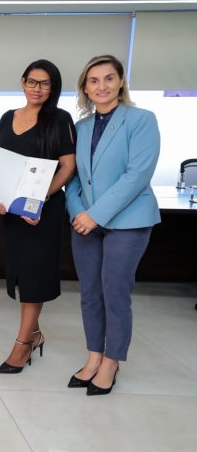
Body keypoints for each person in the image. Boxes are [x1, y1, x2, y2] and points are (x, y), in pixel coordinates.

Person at [65, 55, 160, 395]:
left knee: (114, 292)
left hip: (128, 221)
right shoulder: (81, 127)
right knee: (90, 294)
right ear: (85, 88)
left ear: (121, 82)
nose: (101, 86)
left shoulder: (141, 120)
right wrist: (78, 212)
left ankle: (111, 361)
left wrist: (95, 215)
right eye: (93, 80)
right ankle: (93, 356)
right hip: (85, 222)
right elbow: (72, 178)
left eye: (108, 78)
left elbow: (137, 176)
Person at [0, 59, 76, 374]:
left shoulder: (60, 119)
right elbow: (1, 165)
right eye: (32, 81)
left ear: (53, 88)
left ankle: (22, 344)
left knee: (35, 275)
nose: (37, 88)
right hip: (13, 212)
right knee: (21, 273)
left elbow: (68, 166)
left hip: (44, 209)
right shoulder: (6, 118)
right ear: (23, 82)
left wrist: (39, 199)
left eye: (45, 83)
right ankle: (35, 333)